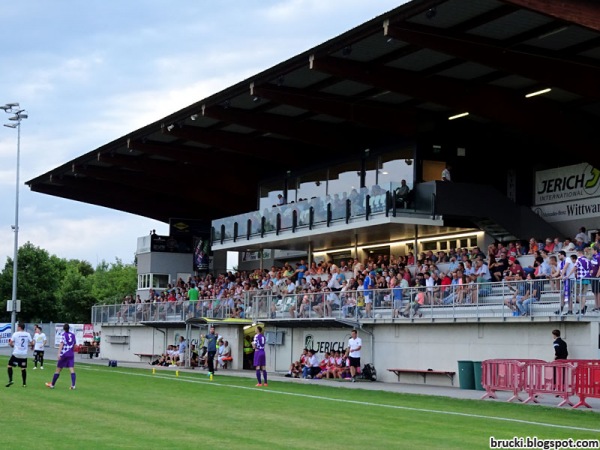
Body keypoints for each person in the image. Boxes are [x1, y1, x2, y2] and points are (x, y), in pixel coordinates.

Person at [46, 323, 77, 390]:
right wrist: (72, 351)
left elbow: (61, 344)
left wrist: (58, 353)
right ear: (69, 328)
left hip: (64, 354)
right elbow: (74, 345)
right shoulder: (73, 335)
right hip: (71, 354)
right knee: (71, 369)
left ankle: (52, 384)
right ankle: (73, 385)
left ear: (64, 328)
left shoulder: (63, 335)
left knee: (58, 369)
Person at [6, 322, 33, 387]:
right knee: (23, 368)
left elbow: (11, 343)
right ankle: (24, 383)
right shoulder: (28, 334)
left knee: (9, 366)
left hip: (16, 353)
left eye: (18, 327)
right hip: (24, 354)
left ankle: (11, 380)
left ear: (19, 327)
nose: (17, 328)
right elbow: (32, 343)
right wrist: (31, 346)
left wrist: (12, 345)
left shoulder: (15, 334)